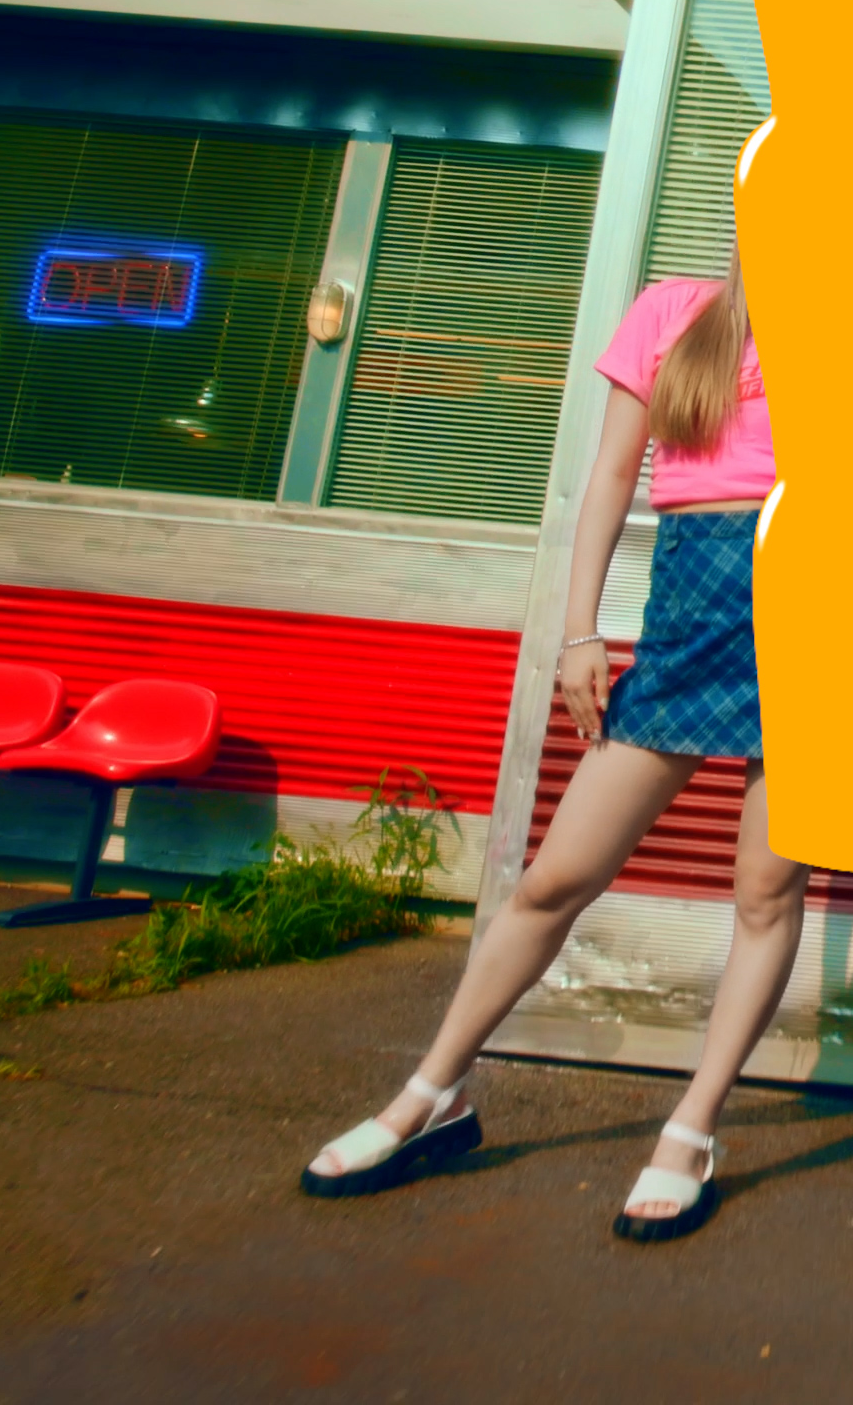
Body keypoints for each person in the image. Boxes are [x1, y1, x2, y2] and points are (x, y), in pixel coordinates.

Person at [300, 253, 811, 1246]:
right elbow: (612, 474)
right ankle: (431, 1093)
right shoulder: (674, 309)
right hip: (690, 618)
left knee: (766, 893)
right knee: (553, 880)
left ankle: (692, 1130)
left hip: (814, 620)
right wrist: (582, 631)